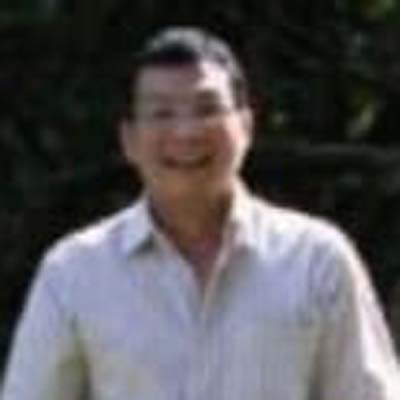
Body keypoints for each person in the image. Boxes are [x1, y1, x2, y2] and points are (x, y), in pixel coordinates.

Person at [1, 26, 399, 400]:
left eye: (208, 109)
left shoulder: (316, 260)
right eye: (162, 114)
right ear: (129, 139)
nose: (187, 132)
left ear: (246, 126)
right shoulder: (75, 271)